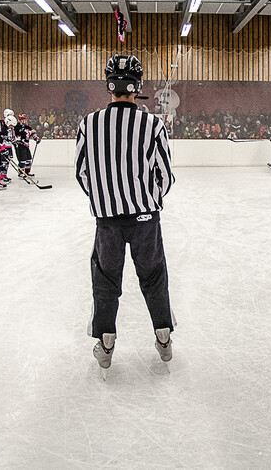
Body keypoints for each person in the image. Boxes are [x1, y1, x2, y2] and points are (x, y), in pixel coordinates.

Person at [75, 54, 176, 376]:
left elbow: (82, 173)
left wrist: (105, 200)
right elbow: (166, 175)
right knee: (153, 276)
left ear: (109, 86)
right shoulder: (152, 124)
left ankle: (105, 344)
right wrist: (147, 202)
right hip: (146, 218)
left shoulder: (89, 124)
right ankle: (163, 337)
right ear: (138, 86)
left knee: (106, 281)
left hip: (107, 220)